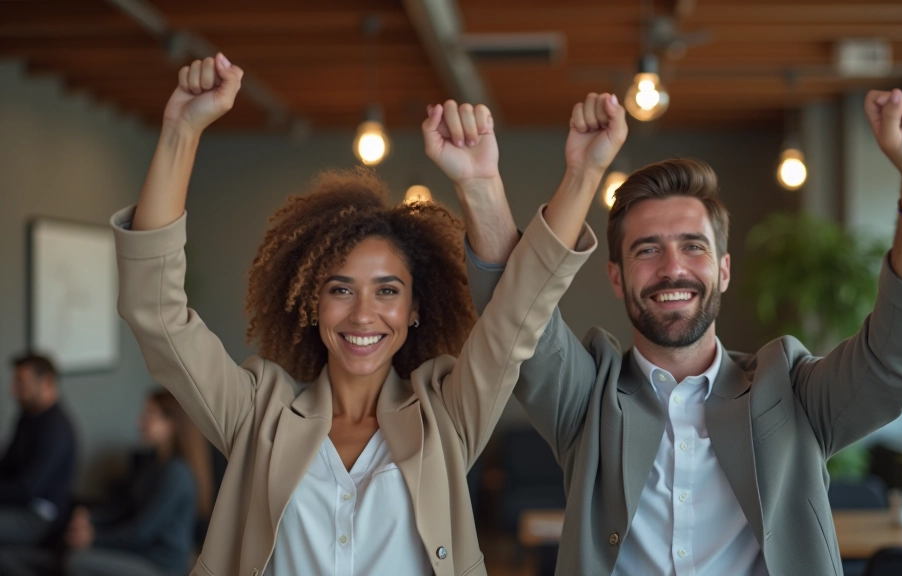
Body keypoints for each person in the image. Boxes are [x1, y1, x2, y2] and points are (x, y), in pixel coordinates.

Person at [110, 53, 601, 576]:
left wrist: (558, 175)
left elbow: (518, 316)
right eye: (340, 289)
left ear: (414, 310)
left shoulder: (448, 415)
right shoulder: (258, 417)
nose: (364, 314)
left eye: (387, 291)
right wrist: (180, 131)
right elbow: (156, 312)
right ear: (312, 304)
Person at [461, 89, 902, 575]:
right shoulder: (588, 399)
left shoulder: (791, 393)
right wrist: (487, 185)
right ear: (616, 276)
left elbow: (900, 359)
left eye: (692, 246)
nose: (673, 268)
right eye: (647, 250)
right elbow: (516, 318)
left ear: (723, 270)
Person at [0, 390, 211, 576]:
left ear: (171, 425)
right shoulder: (152, 464)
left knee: (77, 562)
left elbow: (142, 531)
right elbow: (125, 510)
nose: (140, 421)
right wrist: (90, 520)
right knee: (63, 551)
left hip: (159, 565)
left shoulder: (176, 474)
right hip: (138, 552)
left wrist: (94, 537)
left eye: (149, 415)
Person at [0, 353, 76, 547]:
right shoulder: (27, 417)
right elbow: (7, 465)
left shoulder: (57, 430)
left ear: (47, 382)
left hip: (40, 518)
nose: (13, 390)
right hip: (16, 505)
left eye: (21, 383)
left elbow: (28, 489)